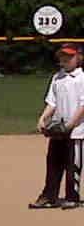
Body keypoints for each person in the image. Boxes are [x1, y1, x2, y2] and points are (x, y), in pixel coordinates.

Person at [29, 43, 84, 210]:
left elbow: (83, 105)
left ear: (79, 58)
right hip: (58, 129)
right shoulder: (57, 77)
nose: (65, 59)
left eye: (69, 56)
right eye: (62, 56)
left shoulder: (82, 78)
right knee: (53, 163)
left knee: (72, 164)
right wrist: (43, 119)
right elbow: (51, 103)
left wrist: (70, 125)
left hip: (76, 131)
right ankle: (49, 196)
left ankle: (72, 196)